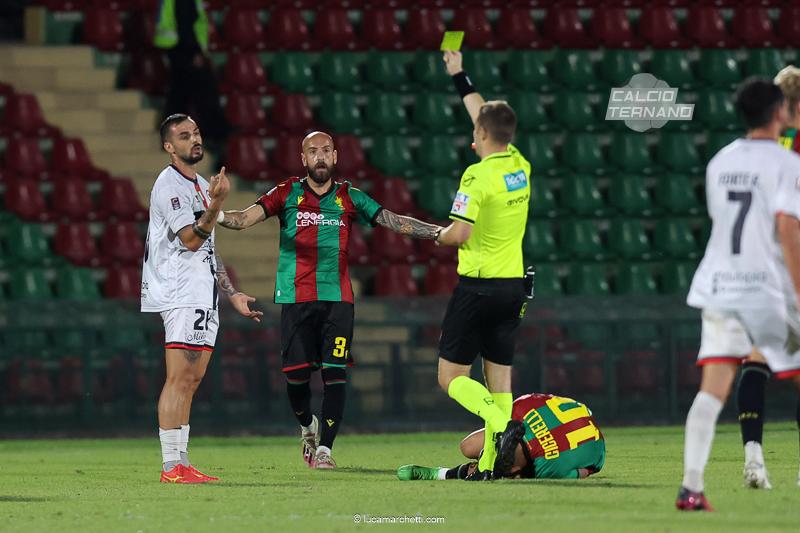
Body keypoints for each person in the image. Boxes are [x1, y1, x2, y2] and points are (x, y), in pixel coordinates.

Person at [216, 131, 444, 469]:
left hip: (338, 300)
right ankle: (308, 425)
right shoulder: (286, 192)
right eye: (313, 151)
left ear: (335, 157)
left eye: (325, 151)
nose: (320, 157)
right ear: (303, 159)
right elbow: (244, 219)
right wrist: (215, 213)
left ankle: (325, 450)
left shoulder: (349, 196)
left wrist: (438, 233)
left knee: (335, 374)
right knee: (295, 378)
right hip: (295, 299)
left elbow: (393, 221)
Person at [676, 79, 800, 511]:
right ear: (779, 112)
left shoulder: (719, 161)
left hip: (719, 285)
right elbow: (786, 227)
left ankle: (691, 487)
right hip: (765, 289)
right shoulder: (786, 164)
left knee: (712, 389)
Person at [141, 113, 263, 484]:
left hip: (201, 292)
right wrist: (217, 203)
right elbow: (189, 239)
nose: (194, 139)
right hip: (179, 291)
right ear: (168, 146)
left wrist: (231, 292)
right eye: (183, 135)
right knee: (178, 377)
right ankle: (169, 467)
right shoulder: (171, 184)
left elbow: (207, 247)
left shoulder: (195, 185)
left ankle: (181, 461)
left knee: (192, 379)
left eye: (195, 132)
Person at [432, 50, 531, 480]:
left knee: (450, 377)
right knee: (501, 381)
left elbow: (459, 233)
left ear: (480, 136)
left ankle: (499, 421)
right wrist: (459, 75)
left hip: (477, 287)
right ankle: (492, 464)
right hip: (514, 287)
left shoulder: (476, 176)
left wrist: (432, 233)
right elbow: (485, 115)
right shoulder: (519, 165)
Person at [734, 65, 800, 489]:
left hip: (754, 266)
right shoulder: (790, 149)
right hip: (788, 261)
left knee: (755, 359)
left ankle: (754, 459)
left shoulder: (754, 146)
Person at [397, 393, 604, 481]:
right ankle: (476, 468)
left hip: (582, 421)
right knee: (468, 447)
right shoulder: (548, 468)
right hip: (576, 415)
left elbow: (590, 469)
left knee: (487, 467)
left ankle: (440, 474)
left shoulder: (548, 469)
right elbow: (588, 470)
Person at [153, 0, 228, 147]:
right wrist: (195, 52)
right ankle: (216, 133)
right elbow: (185, 24)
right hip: (184, 50)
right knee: (201, 92)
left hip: (176, 48)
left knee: (179, 94)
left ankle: (171, 137)